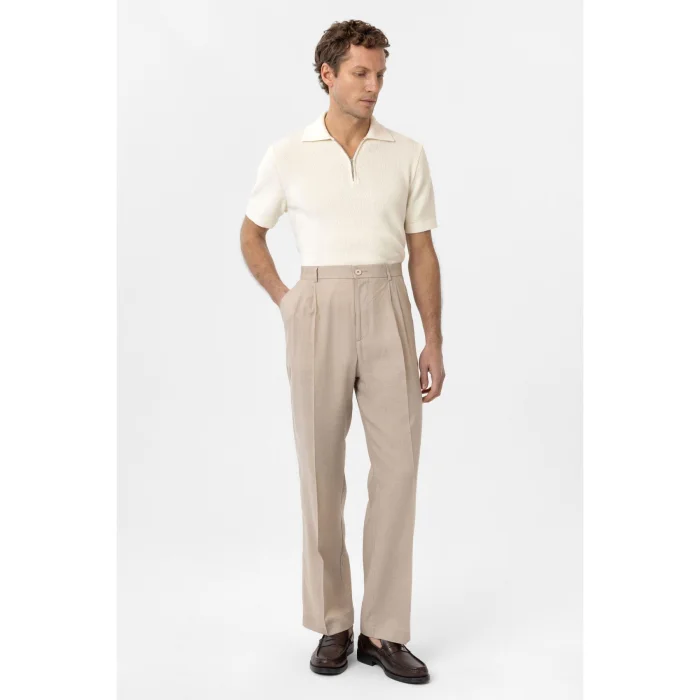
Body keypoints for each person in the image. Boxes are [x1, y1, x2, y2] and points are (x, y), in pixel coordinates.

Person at [240, 19, 445, 685]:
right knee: (321, 472)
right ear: (327, 74)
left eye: (380, 73)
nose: (373, 85)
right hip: (318, 307)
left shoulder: (407, 153)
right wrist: (288, 299)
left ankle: (382, 630)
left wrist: (433, 337)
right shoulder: (287, 154)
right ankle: (334, 620)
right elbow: (251, 233)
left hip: (388, 303)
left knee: (399, 471)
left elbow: (422, 251)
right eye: (360, 72)